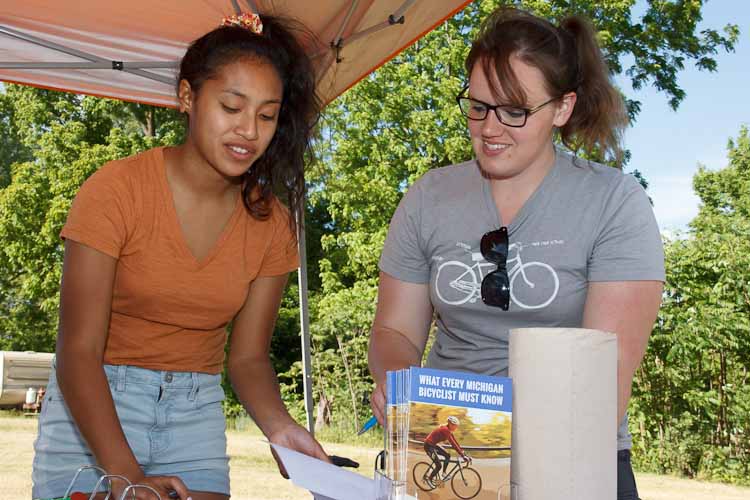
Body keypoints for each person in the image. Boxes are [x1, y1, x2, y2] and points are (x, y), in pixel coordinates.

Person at [368, 7, 663, 500]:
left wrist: (507, 446)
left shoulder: (614, 202)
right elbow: (395, 330)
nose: (489, 128)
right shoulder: (427, 197)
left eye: (515, 112)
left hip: (570, 454)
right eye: (478, 106)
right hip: (451, 441)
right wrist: (404, 390)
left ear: (562, 109)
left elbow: (603, 375)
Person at [32, 13, 328, 500]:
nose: (248, 130)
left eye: (267, 115)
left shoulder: (273, 223)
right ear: (188, 97)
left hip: (195, 412)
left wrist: (280, 427)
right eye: (231, 106)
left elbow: (249, 358)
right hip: (95, 407)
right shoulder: (115, 190)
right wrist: (128, 478)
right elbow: (77, 351)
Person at [423, 416, 469, 487]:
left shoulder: (449, 430)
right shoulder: (445, 430)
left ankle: (444, 473)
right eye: (455, 426)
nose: (456, 427)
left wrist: (463, 453)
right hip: (428, 446)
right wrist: (462, 456)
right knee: (438, 465)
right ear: (450, 424)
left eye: (456, 426)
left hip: (433, 445)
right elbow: (453, 444)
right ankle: (429, 479)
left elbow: (455, 442)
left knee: (447, 455)